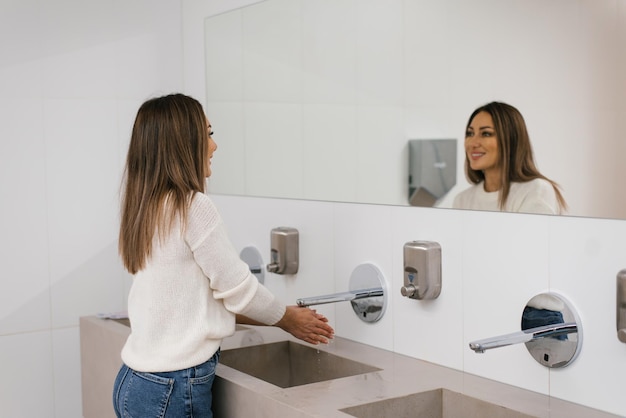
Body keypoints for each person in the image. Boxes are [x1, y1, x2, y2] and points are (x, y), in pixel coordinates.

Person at [113, 93, 334, 418]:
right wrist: (288, 320)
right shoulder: (192, 207)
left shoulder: (149, 208)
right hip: (172, 390)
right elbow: (239, 291)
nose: (214, 146)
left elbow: (206, 301)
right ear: (183, 143)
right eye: (208, 134)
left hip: (134, 384)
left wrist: (280, 317)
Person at [453, 101, 567, 215]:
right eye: (470, 133)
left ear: (511, 140)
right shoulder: (462, 200)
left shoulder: (536, 190)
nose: (473, 143)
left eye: (486, 134)